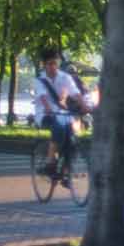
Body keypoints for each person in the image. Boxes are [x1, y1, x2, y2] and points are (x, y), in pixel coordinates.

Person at [30, 48, 87, 181]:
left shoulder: (65, 77)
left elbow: (75, 93)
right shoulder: (40, 80)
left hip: (63, 114)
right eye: (49, 63)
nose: (53, 66)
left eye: (55, 63)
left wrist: (84, 106)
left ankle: (66, 172)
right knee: (59, 127)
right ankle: (50, 162)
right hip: (45, 114)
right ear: (44, 65)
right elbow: (43, 97)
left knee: (73, 138)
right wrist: (49, 109)